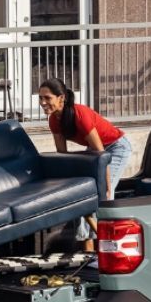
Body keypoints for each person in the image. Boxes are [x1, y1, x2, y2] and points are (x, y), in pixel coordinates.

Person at [39, 78, 132, 253]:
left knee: (102, 196)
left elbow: (102, 155)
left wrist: (106, 185)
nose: (43, 103)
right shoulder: (54, 120)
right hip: (95, 151)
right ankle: (87, 249)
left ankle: (109, 247)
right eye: (40, 98)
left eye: (47, 98)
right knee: (82, 194)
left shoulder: (80, 115)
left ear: (61, 97)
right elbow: (63, 155)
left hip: (115, 147)